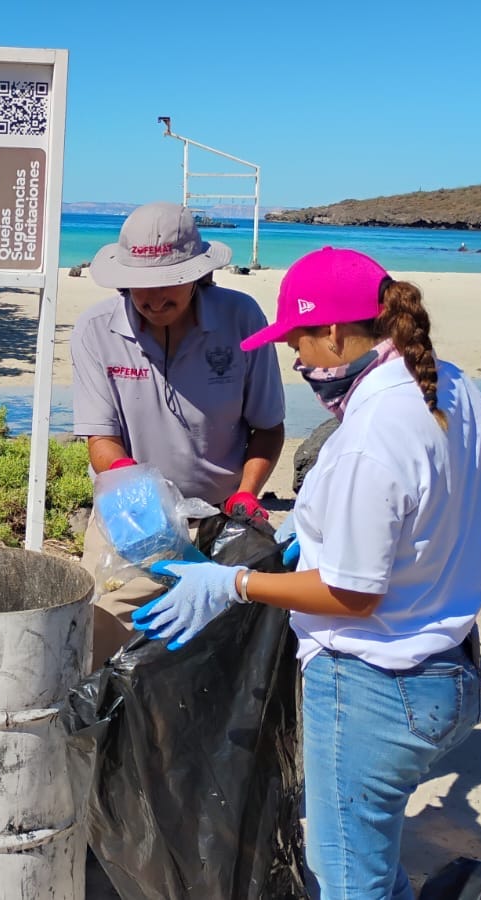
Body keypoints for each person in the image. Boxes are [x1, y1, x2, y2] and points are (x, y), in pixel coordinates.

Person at [132, 247, 481, 899]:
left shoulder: (370, 435)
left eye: (299, 342)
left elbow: (352, 593)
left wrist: (233, 584)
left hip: (374, 686)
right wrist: (312, 530)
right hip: (451, 667)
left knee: (349, 881)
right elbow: (425, 510)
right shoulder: (453, 386)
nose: (297, 361)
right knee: (375, 865)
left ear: (333, 331)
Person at [70, 202, 286, 667]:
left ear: (199, 274)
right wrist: (140, 493)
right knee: (96, 651)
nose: (154, 298)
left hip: (224, 522)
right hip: (128, 523)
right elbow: (100, 439)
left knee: (220, 665)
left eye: (170, 282)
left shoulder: (242, 319)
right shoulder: (94, 330)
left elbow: (268, 427)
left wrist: (248, 494)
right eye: (142, 284)